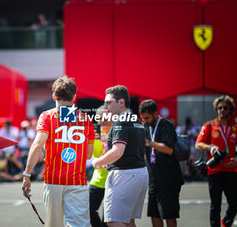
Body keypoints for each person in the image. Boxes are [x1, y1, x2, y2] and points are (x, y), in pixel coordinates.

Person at [22, 75, 95, 227]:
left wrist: (27, 174)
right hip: (77, 180)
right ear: (74, 96)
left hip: (53, 180)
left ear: (54, 95)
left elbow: (37, 146)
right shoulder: (86, 119)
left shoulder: (47, 116)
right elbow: (88, 155)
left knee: (53, 224)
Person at [92, 85, 149, 227]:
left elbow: (118, 151)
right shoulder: (136, 121)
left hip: (125, 175)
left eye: (108, 102)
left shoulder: (121, 121)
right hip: (139, 173)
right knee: (129, 221)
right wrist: (109, 162)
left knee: (113, 221)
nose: (106, 107)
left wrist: (98, 161)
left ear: (121, 102)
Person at [196, 95, 237, 227]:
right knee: (215, 205)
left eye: (225, 108)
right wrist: (210, 147)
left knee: (235, 202)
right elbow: (198, 144)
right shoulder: (209, 126)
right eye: (219, 108)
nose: (222, 110)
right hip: (214, 170)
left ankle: (226, 222)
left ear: (231, 110)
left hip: (231, 170)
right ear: (216, 109)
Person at [139, 99, 183, 227]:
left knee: (169, 215)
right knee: (154, 214)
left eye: (147, 118)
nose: (145, 121)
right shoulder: (146, 127)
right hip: (154, 178)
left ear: (155, 113)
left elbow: (169, 150)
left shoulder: (166, 126)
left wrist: (149, 142)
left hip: (169, 178)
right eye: (143, 118)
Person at [89, 105, 112, 227]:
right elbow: (93, 155)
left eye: (105, 117)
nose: (102, 121)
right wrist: (91, 141)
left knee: (107, 219)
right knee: (88, 211)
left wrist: (108, 140)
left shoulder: (117, 132)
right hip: (97, 180)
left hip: (113, 181)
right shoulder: (95, 135)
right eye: (100, 118)